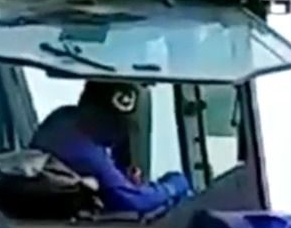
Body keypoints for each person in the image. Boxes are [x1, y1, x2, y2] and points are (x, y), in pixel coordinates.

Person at [31, 81, 194, 216]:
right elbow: (134, 201)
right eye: (112, 123)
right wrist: (173, 185)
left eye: (123, 126)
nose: (118, 133)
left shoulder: (63, 118)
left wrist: (123, 178)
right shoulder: (85, 151)